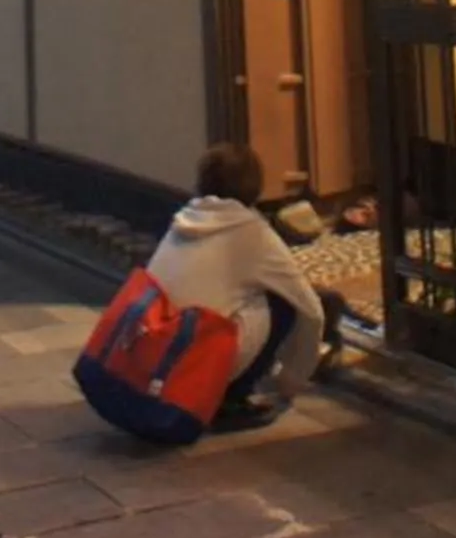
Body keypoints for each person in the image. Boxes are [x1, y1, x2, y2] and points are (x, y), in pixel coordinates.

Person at [143, 143, 334, 429]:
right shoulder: (251, 232)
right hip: (193, 364)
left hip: (146, 359)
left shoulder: (184, 220)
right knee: (281, 302)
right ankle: (230, 399)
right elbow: (310, 308)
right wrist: (292, 380)